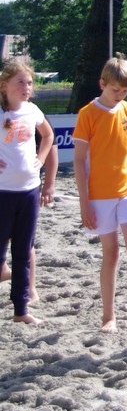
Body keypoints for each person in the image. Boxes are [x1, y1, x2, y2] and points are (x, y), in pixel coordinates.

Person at [73, 54, 127, 335]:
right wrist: (84, 202)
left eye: (125, 91)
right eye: (115, 90)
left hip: (126, 190)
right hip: (99, 195)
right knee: (110, 252)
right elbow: (79, 161)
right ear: (102, 83)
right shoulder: (88, 113)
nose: (120, 95)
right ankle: (108, 317)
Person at [0, 61, 54, 324]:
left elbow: (48, 136)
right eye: (20, 82)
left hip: (29, 190)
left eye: (30, 82)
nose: (26, 87)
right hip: (2, 192)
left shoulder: (32, 110)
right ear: (4, 86)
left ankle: (20, 310)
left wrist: (41, 160)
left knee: (23, 251)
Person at [0, 129, 58, 303]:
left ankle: (30, 290)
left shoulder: (34, 116)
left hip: (23, 187)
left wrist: (49, 184)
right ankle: (4, 270)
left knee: (23, 240)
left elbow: (51, 145)